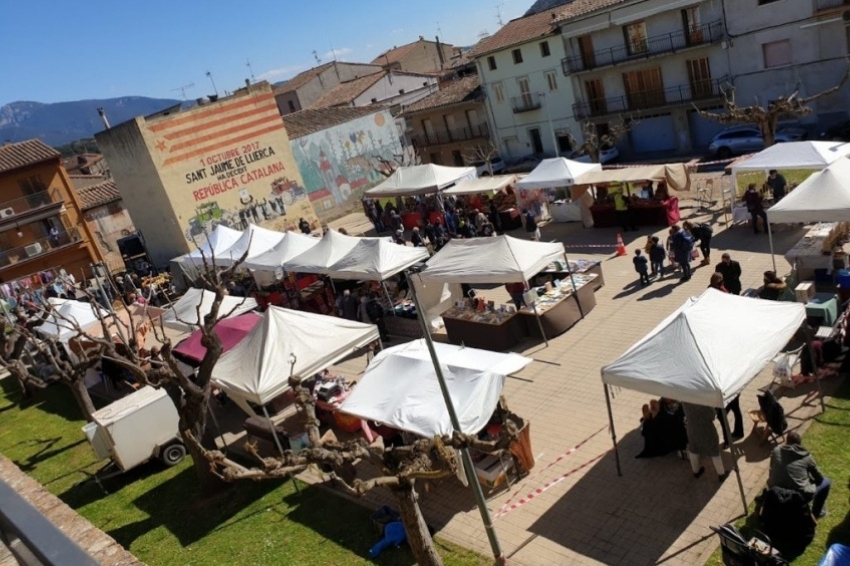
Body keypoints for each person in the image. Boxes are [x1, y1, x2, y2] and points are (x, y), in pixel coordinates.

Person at [768, 431, 830, 518]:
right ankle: (816, 512)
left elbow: (771, 468)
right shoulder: (807, 457)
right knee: (826, 482)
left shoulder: (776, 450)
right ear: (799, 443)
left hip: (775, 490)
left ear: (786, 441)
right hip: (797, 497)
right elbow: (820, 478)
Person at [682, 402, 728, 481]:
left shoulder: (684, 400)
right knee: (714, 450)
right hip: (706, 429)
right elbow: (712, 416)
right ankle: (721, 474)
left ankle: (696, 471)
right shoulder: (702, 402)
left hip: (692, 428)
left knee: (693, 449)